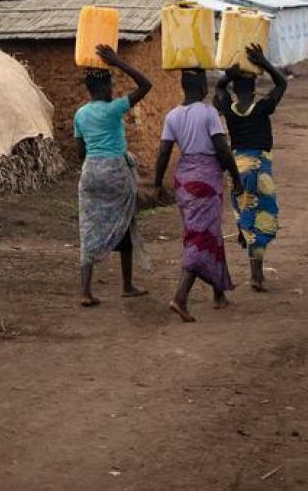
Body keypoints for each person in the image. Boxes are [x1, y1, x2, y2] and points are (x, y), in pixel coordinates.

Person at [153, 69, 244, 322]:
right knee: (200, 237)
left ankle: (219, 294)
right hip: (206, 178)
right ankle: (180, 297)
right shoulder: (208, 113)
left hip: (185, 179)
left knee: (208, 232)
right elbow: (222, 149)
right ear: (203, 87)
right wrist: (236, 177)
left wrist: (157, 183)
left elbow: (163, 153)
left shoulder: (172, 115)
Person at [73, 43, 154, 307]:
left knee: (88, 227)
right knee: (126, 225)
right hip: (116, 172)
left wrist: (94, 166)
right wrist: (118, 62)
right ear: (106, 87)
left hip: (91, 172)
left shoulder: (80, 114)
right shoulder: (114, 109)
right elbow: (145, 84)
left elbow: (80, 151)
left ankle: (85, 291)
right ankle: (127, 285)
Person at [214, 44, 287, 291]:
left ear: (235, 88)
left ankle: (242, 231)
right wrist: (264, 62)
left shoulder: (228, 108)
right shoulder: (262, 107)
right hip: (259, 167)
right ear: (254, 88)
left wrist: (228, 76)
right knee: (262, 219)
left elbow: (219, 88)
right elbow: (281, 84)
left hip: (237, 167)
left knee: (244, 210)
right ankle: (256, 275)